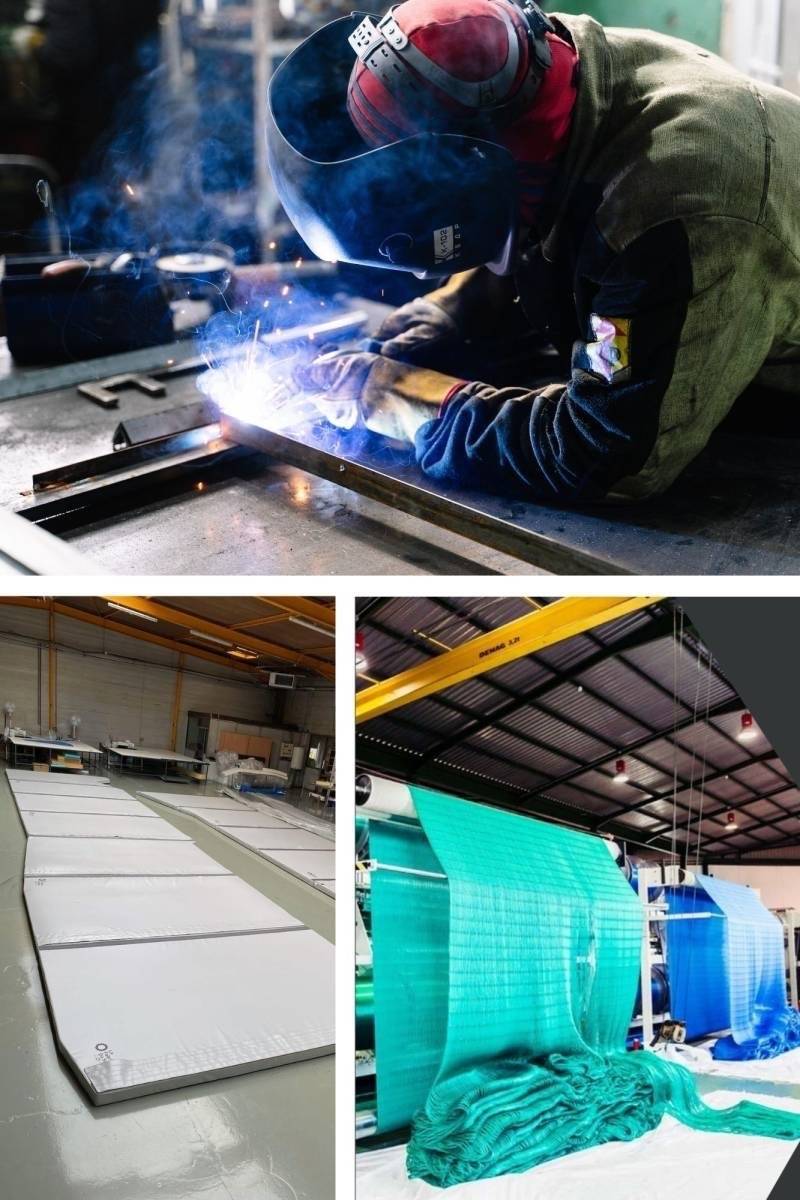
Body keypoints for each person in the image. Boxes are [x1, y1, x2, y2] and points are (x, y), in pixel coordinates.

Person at [267, 0, 800, 503]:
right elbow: (550, 212)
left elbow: (602, 455)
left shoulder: (678, 214)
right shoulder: (538, 71)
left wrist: (395, 395)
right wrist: (453, 313)